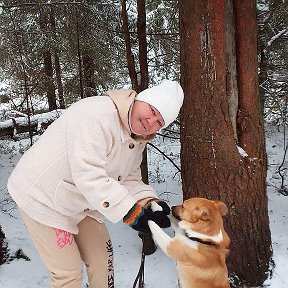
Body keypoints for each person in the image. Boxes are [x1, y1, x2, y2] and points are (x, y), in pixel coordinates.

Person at [7, 79, 184, 288]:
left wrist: (148, 202)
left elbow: (128, 178)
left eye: (159, 122)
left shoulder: (136, 138)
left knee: (103, 261)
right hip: (42, 197)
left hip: (79, 199)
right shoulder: (96, 114)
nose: (150, 121)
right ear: (139, 99)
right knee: (68, 272)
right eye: (152, 110)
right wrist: (132, 213)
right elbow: (88, 173)